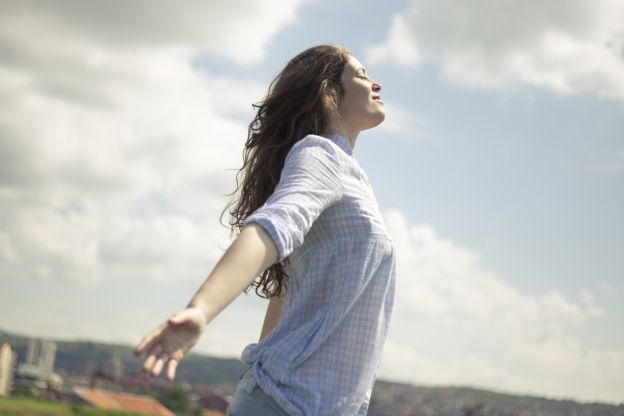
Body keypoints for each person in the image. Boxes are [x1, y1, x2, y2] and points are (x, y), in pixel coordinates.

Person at [134, 44, 396, 416]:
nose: (376, 84)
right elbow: (271, 229)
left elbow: (288, 293)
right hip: (285, 406)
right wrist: (200, 311)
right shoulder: (322, 156)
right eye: (362, 75)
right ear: (327, 93)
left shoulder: (350, 178)